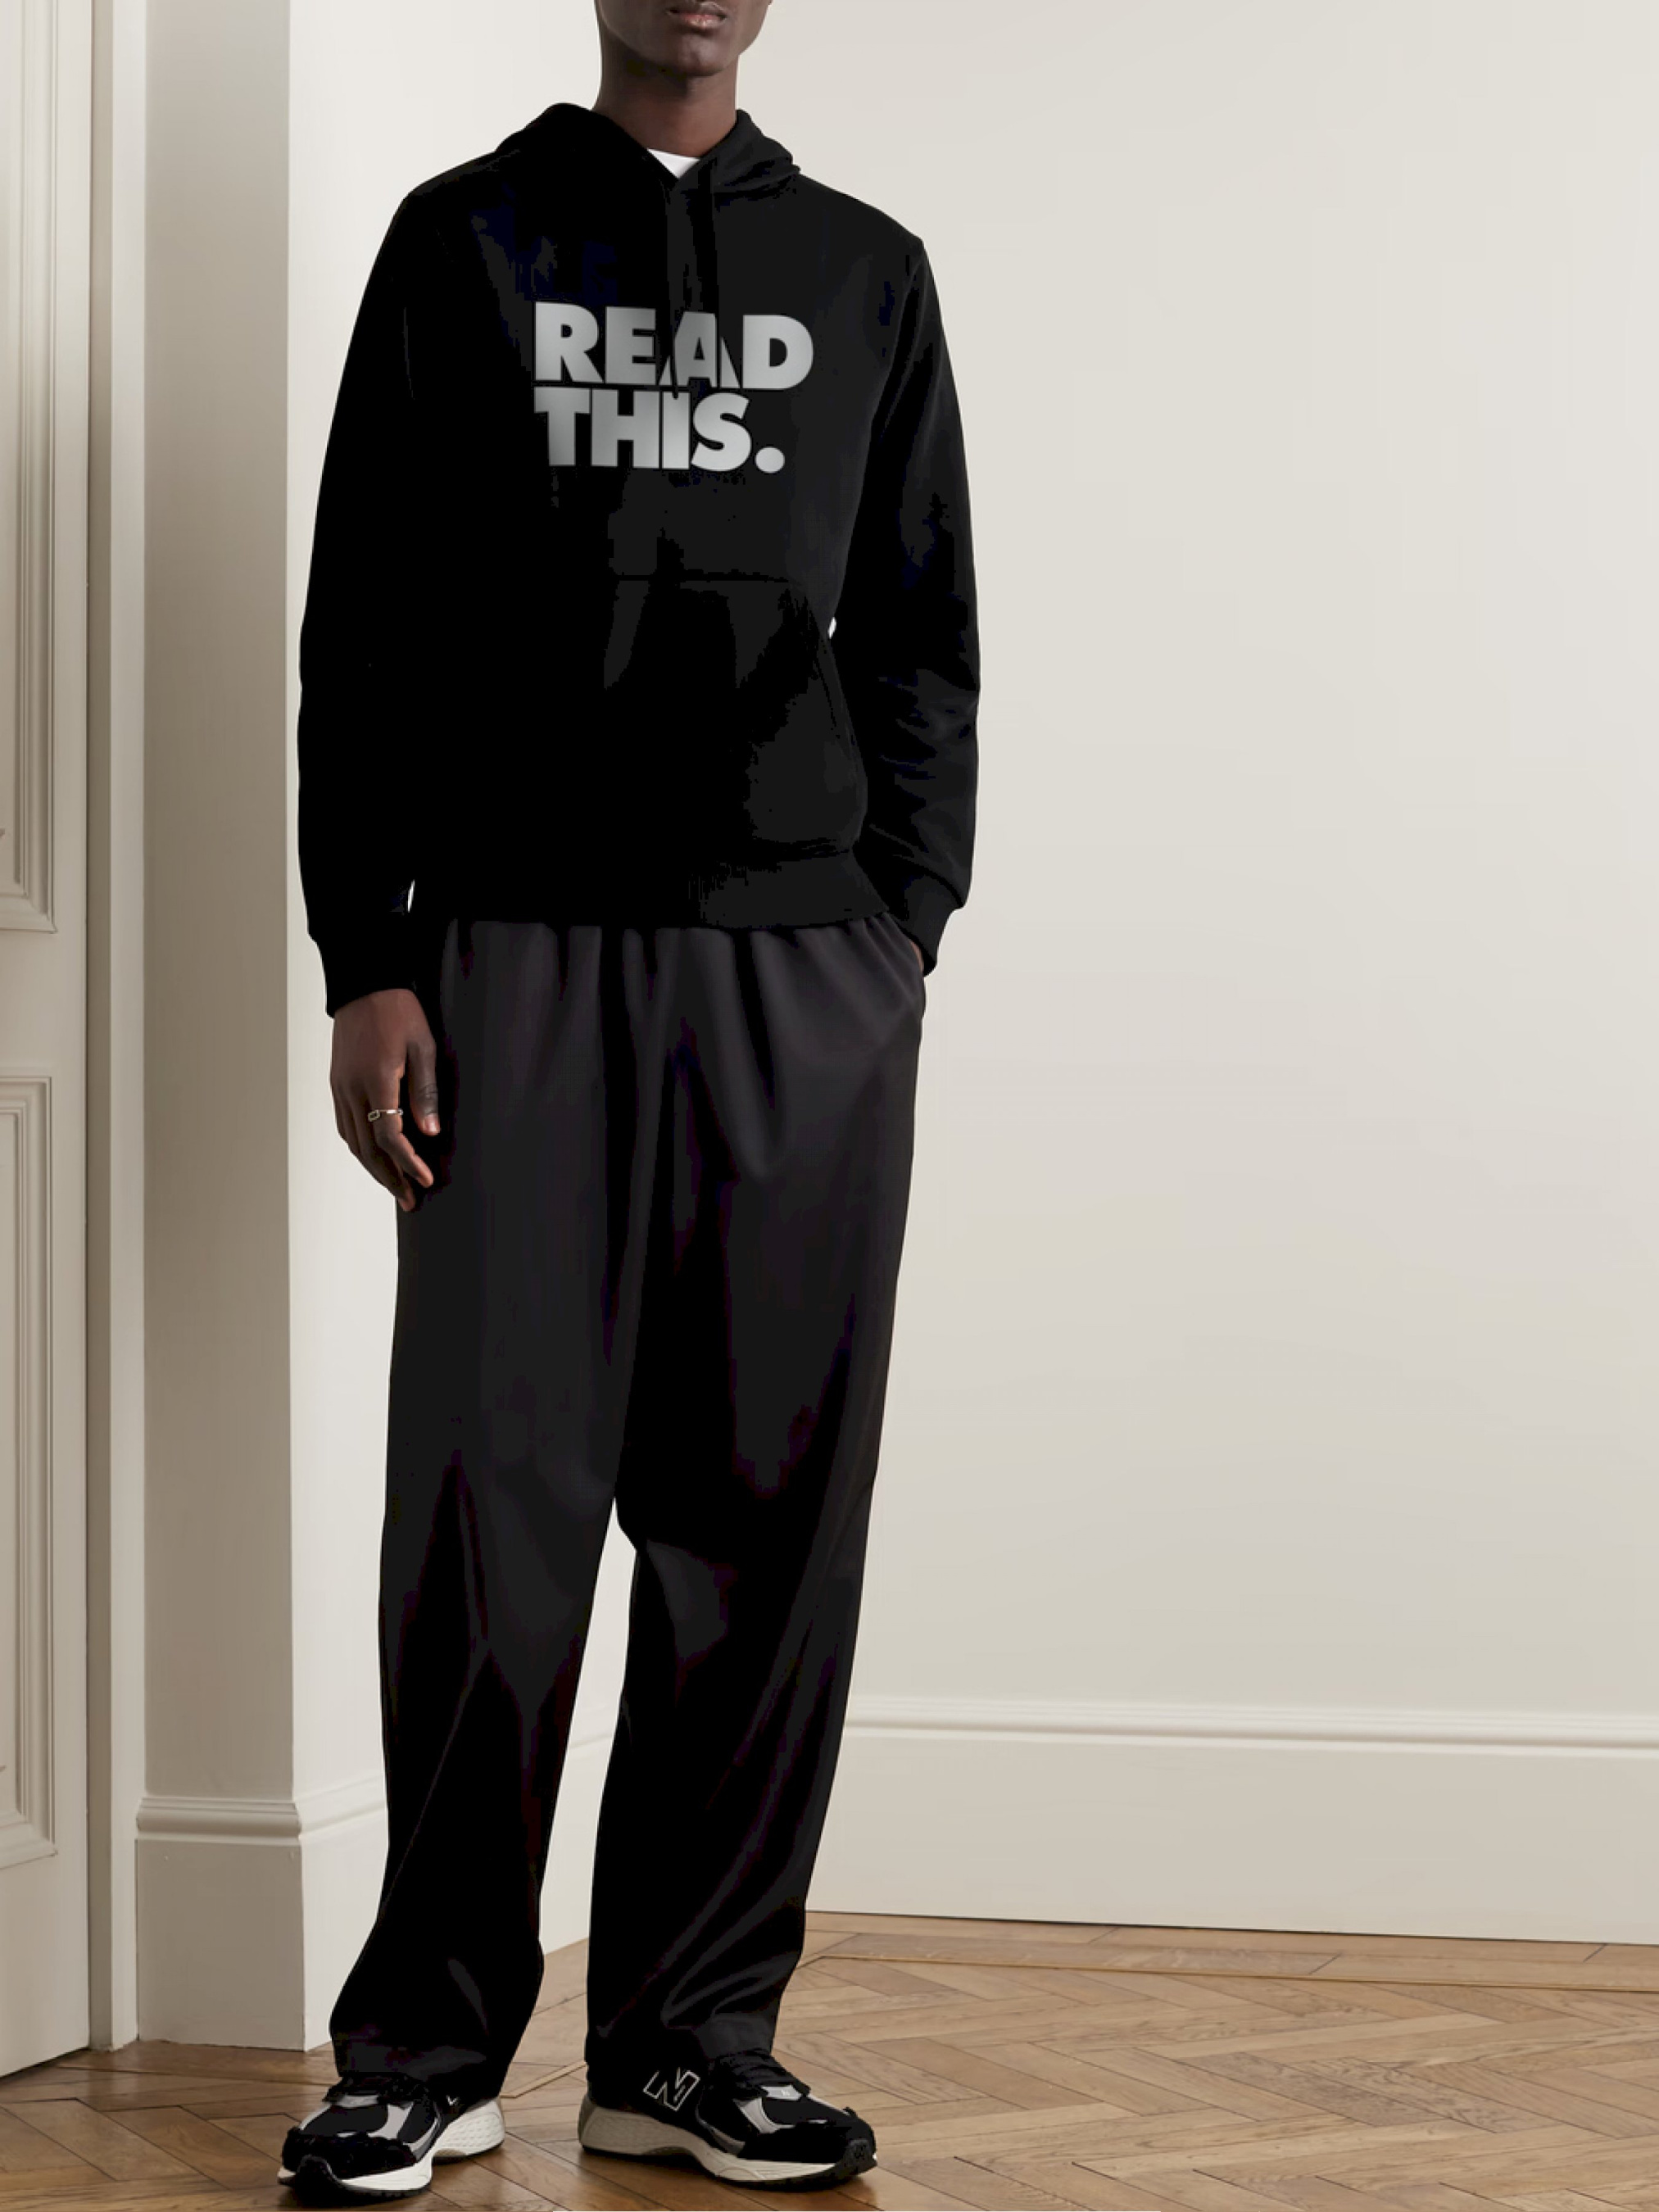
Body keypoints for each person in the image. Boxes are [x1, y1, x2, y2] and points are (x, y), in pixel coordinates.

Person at [278, 0, 977, 2198]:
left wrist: (897, 929)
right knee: (490, 1514)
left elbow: (923, 628)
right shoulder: (462, 242)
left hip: (803, 965)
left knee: (762, 1517)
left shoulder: (862, 269)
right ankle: (426, 2044)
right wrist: (370, 952)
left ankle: (689, 2039)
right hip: (517, 948)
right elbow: (363, 623)